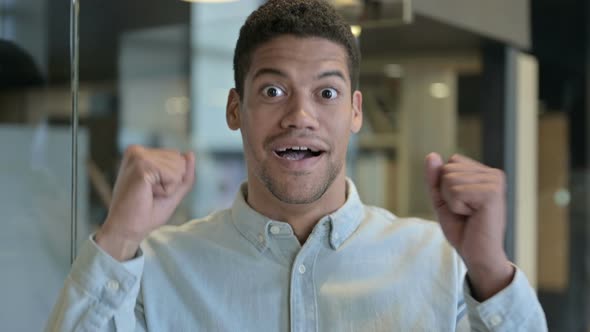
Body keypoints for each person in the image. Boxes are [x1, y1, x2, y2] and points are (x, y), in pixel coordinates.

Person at [46, 0, 547, 330]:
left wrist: (490, 270)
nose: (300, 116)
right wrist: (117, 237)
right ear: (234, 109)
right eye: (273, 91)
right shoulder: (156, 269)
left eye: (326, 93)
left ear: (354, 111)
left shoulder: (440, 264)